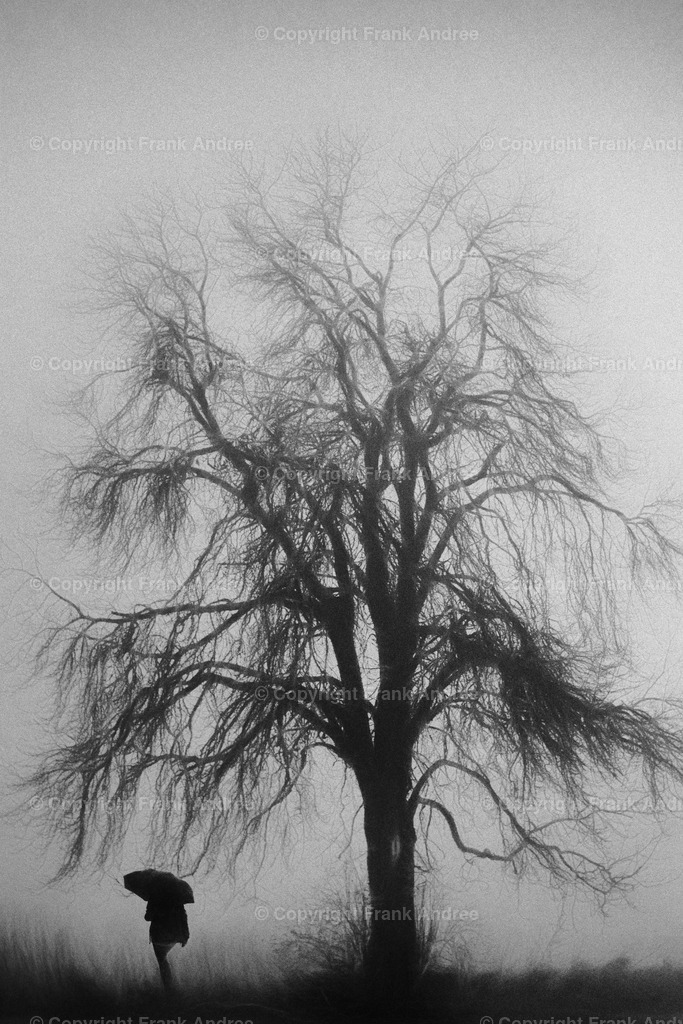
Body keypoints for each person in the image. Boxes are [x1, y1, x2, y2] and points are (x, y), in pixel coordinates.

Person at [144, 894, 190, 990]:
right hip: (174, 935)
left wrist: (153, 909)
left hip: (159, 935)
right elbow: (183, 916)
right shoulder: (176, 897)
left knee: (162, 961)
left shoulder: (154, 896)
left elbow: (147, 917)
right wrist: (186, 936)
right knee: (169, 960)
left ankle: (168, 988)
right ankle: (176, 985)